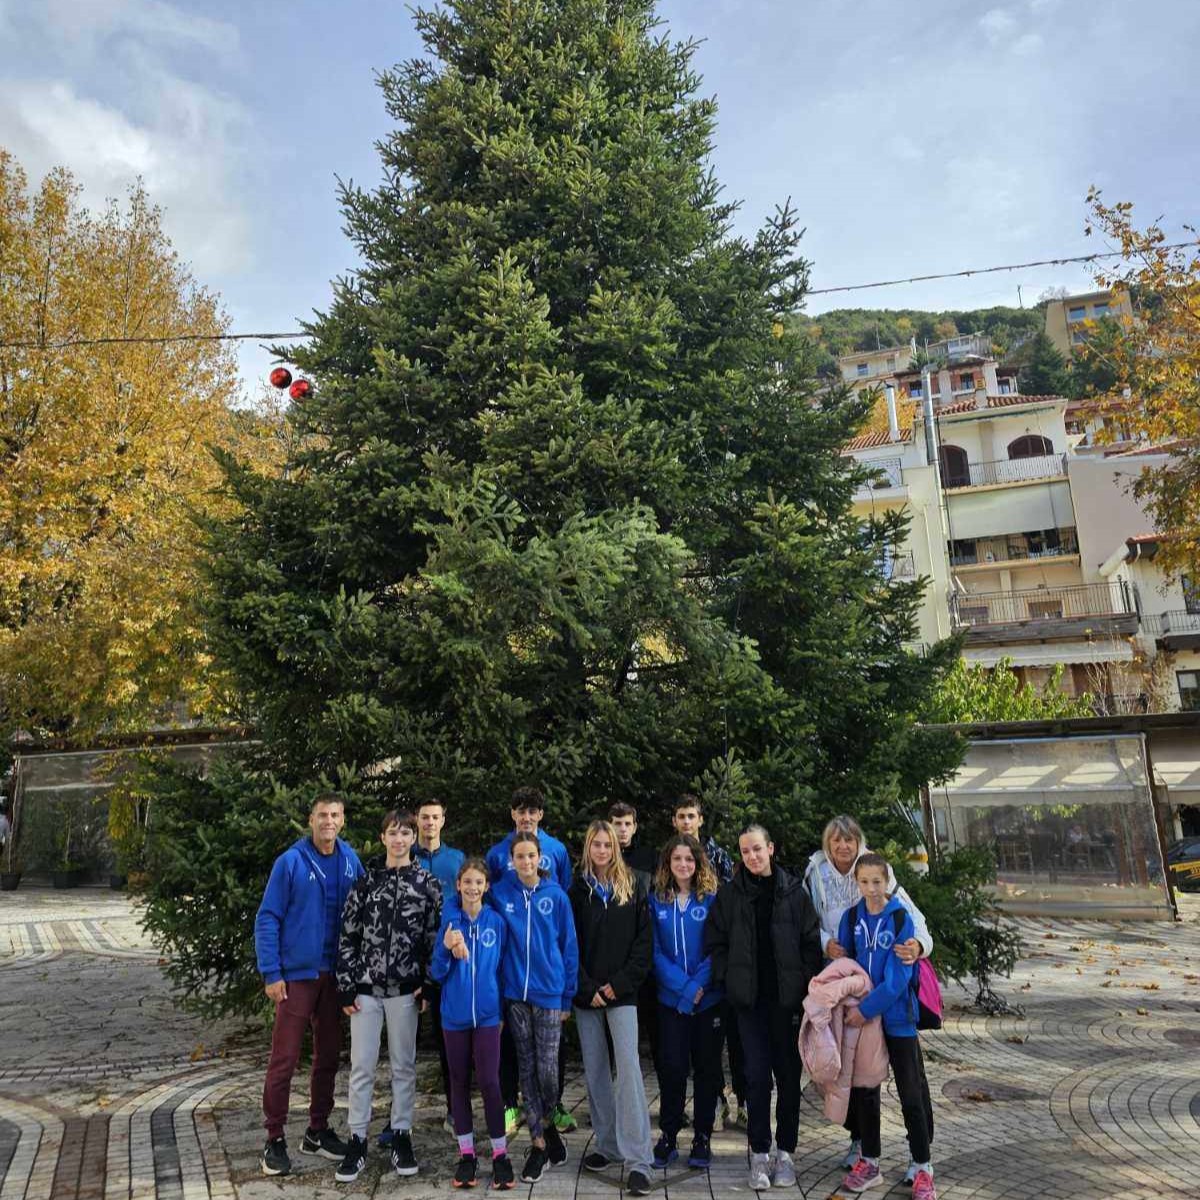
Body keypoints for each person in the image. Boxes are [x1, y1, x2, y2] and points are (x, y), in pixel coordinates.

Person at [802, 814, 933, 1177]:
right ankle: (864, 1149)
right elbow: (811, 927)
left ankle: (921, 1158)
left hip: (893, 1011)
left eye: (849, 840)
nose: (843, 846)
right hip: (857, 1006)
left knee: (910, 1086)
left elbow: (915, 927)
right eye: (836, 840)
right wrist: (826, 945)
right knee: (862, 1086)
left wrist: (919, 945)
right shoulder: (819, 879)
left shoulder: (890, 899)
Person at [705, 823, 823, 1191]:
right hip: (749, 1005)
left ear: (770, 849)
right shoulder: (730, 895)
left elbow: (810, 942)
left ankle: (785, 1153)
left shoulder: (793, 893)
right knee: (756, 1078)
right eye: (745, 851)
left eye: (758, 849)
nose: (752, 856)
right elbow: (716, 941)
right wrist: (729, 980)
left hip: (787, 1004)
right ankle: (758, 1152)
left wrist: (803, 984)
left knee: (788, 1079)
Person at [254, 794, 364, 1177]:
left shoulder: (350, 861)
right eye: (322, 815)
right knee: (284, 1058)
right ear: (311, 820)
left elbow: (363, 914)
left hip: (336, 977)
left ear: (342, 820)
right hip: (297, 977)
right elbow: (268, 917)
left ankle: (317, 1130)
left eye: (335, 815)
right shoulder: (290, 862)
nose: (328, 821)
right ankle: (274, 1138)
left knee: (328, 1056)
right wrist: (272, 972)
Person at [333, 808, 442, 1182]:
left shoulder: (427, 884)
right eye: (392, 833)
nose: (399, 839)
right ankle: (357, 1138)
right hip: (366, 990)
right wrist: (346, 984)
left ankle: (401, 1134)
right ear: (383, 838)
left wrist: (428, 982)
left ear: (414, 838)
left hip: (405, 992)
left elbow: (433, 939)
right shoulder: (366, 882)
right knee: (362, 1067)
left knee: (403, 1067)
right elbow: (348, 935)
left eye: (405, 833)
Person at [838, 853, 937, 1200]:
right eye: (864, 882)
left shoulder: (899, 917)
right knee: (866, 1092)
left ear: (887, 881)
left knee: (911, 1093)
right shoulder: (851, 918)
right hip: (864, 1023)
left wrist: (865, 1009)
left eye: (877, 882)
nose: (871, 889)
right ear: (857, 883)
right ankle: (870, 1162)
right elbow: (847, 967)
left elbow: (897, 979)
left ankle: (922, 1166)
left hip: (897, 1019)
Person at [569, 821, 654, 1197]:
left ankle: (638, 1161)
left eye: (607, 845)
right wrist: (587, 987)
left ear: (615, 848)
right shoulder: (577, 890)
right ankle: (608, 1145)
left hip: (622, 994)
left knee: (629, 1072)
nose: (602, 850)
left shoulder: (633, 885)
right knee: (596, 1070)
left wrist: (618, 984)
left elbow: (644, 944)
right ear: (588, 847)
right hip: (587, 995)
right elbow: (568, 943)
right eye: (596, 844)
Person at [488, 831, 578, 1184]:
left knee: (548, 1069)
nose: (525, 862)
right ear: (511, 860)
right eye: (519, 856)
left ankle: (548, 1122)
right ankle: (539, 1144)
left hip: (550, 994)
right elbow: (468, 903)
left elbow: (569, 947)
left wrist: (567, 996)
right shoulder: (500, 894)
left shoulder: (556, 896)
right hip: (515, 996)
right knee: (526, 1067)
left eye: (531, 856)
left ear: (540, 859)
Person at [431, 858, 515, 1190]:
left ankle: (500, 1154)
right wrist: (446, 950)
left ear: (486, 886)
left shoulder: (497, 922)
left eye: (478, 882)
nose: (473, 888)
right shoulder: (450, 925)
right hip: (454, 1017)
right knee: (458, 1082)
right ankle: (466, 1155)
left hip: (489, 1016)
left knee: (491, 1082)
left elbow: (504, 970)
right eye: (467, 882)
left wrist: (502, 1012)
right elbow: (437, 973)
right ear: (458, 885)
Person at [648, 834, 724, 1172]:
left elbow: (717, 947)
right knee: (673, 1069)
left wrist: (696, 987)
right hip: (672, 1003)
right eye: (677, 858)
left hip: (707, 1001)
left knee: (707, 1070)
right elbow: (654, 952)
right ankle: (668, 1134)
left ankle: (702, 1136)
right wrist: (683, 989)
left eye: (689, 859)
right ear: (668, 862)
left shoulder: (711, 899)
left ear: (698, 862)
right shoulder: (656, 901)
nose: (683, 864)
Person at [670, 795, 744, 1128]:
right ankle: (714, 1101)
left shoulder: (719, 857)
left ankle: (741, 1102)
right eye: (681, 816)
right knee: (693, 1052)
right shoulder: (670, 858)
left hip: (717, 965)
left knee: (727, 1042)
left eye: (692, 816)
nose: (687, 821)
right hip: (681, 974)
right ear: (675, 821)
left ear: (700, 819)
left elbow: (729, 905)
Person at [413, 797, 467, 1138]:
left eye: (435, 817)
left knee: (450, 1044)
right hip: (409, 963)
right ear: (417, 821)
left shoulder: (456, 859)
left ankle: (455, 1110)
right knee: (405, 1047)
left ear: (443, 821)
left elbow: (468, 901)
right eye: (424, 817)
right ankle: (397, 1119)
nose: (430, 822)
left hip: (445, 964)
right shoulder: (405, 855)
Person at [608, 802, 656, 877]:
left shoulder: (649, 857)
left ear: (634, 828)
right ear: (609, 827)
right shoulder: (602, 855)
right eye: (618, 824)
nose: (623, 829)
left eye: (627, 824)